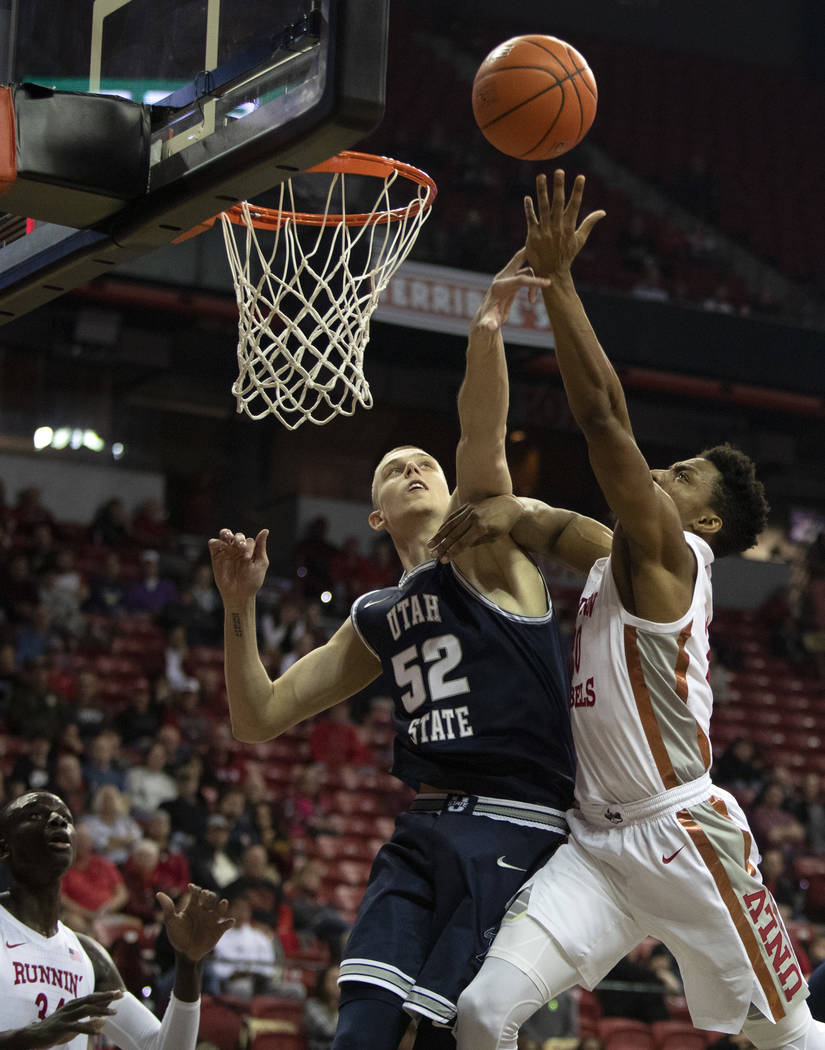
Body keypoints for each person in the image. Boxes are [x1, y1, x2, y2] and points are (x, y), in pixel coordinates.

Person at [451, 171, 821, 1050]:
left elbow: (605, 419)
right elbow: (559, 525)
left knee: (791, 1042)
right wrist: (513, 513)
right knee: (482, 1013)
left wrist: (559, 283)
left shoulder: (666, 557)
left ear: (703, 521)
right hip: (597, 846)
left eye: (682, 475)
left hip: (686, 838)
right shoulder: (629, 553)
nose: (662, 473)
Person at [208, 248, 612, 1050]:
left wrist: (488, 327)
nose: (417, 470)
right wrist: (239, 608)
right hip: (424, 827)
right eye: (396, 470)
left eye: (425, 463)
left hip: (516, 823)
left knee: (445, 1032)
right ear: (377, 517)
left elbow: (480, 435)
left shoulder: (489, 553)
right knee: (358, 1023)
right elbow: (258, 719)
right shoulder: (377, 614)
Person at [0, 789, 233, 1050]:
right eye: (35, 815)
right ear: (4, 846)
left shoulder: (90, 956)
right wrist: (33, 1036)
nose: (58, 821)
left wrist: (189, 966)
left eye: (66, 818)